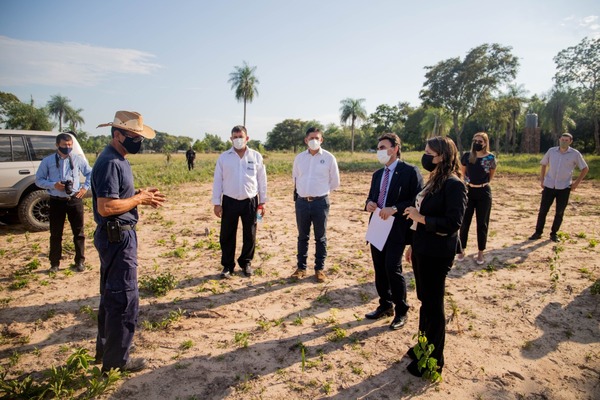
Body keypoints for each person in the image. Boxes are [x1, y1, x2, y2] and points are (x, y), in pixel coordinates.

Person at [93, 111, 166, 373]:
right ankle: (116, 363)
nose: (138, 141)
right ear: (117, 135)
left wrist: (138, 194)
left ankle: (106, 353)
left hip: (117, 235)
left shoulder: (118, 158)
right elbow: (106, 206)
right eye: (133, 136)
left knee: (112, 296)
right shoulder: (111, 162)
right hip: (117, 237)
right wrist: (138, 200)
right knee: (123, 299)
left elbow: (116, 196)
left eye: (139, 137)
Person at [403, 136, 467, 377]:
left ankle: (433, 359)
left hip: (437, 253)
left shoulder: (454, 183)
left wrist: (422, 219)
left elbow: (453, 223)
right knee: (424, 301)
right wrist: (412, 244)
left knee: (433, 305)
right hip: (422, 248)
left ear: (441, 155)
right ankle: (422, 346)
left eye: (429, 151)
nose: (425, 155)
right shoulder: (435, 180)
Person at [364, 133, 423, 330]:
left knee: (392, 267)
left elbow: (417, 200)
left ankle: (401, 310)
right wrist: (370, 204)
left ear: (395, 148)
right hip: (377, 227)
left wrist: (395, 208)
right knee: (379, 267)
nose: (379, 151)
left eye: (383, 147)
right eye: (378, 147)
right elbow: (371, 198)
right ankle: (385, 304)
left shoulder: (410, 172)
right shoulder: (378, 175)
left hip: (397, 228)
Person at [211, 125, 267, 278]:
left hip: (250, 201)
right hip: (229, 201)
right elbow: (218, 181)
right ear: (231, 139)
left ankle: (246, 262)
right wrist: (217, 203)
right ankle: (227, 266)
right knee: (227, 234)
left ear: (247, 138)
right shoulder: (224, 157)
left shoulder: (256, 156)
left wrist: (262, 202)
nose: (238, 139)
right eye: (235, 137)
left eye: (240, 136)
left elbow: (262, 181)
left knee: (250, 233)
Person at [35, 132, 92, 272]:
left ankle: (80, 261)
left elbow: (90, 173)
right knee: (55, 234)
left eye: (70, 145)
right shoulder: (47, 161)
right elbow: (38, 180)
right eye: (64, 145)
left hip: (74, 200)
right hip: (56, 201)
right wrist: (54, 185)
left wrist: (84, 188)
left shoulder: (78, 159)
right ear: (57, 145)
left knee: (79, 233)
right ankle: (54, 264)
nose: (68, 147)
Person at [290, 127, 340, 282]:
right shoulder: (299, 158)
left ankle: (319, 269)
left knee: (320, 237)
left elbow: (335, 182)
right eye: (311, 138)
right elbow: (295, 178)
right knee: (302, 236)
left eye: (317, 138)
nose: (314, 141)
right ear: (306, 140)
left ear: (321, 140)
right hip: (302, 202)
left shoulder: (329, 158)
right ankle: (301, 268)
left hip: (320, 202)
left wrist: (320, 192)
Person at [529, 133, 588, 242]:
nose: (564, 142)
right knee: (543, 211)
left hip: (564, 187)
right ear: (559, 140)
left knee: (559, 212)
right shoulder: (551, 151)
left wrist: (576, 184)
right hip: (549, 185)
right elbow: (543, 164)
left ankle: (554, 233)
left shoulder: (575, 154)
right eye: (562, 139)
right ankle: (538, 232)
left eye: (566, 140)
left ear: (570, 142)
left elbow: (585, 168)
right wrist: (542, 180)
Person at [456, 132, 497, 265]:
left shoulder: (490, 158)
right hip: (469, 191)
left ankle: (480, 252)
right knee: (465, 222)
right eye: (475, 140)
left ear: (485, 143)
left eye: (480, 141)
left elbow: (491, 175)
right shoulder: (468, 156)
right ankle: (461, 250)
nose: (477, 143)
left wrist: (482, 183)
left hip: (484, 192)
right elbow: (463, 172)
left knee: (482, 223)